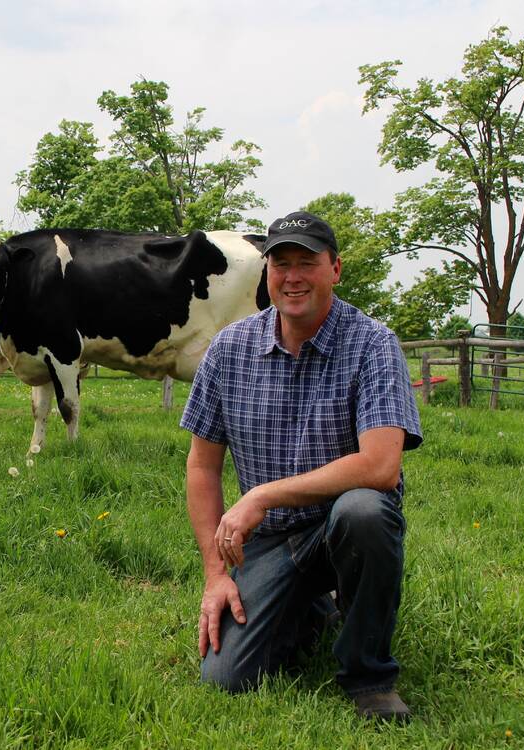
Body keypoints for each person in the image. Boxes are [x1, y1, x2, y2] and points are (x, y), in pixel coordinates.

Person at [180, 210, 422, 722]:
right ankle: (313, 608)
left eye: (306, 262)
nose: (292, 277)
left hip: (340, 527)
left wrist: (262, 495)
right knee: (226, 678)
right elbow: (202, 466)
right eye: (280, 263)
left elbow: (381, 466)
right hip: (270, 542)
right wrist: (214, 574)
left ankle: (369, 676)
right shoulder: (229, 349)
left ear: (335, 269)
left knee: (365, 511)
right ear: (266, 273)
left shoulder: (373, 344)